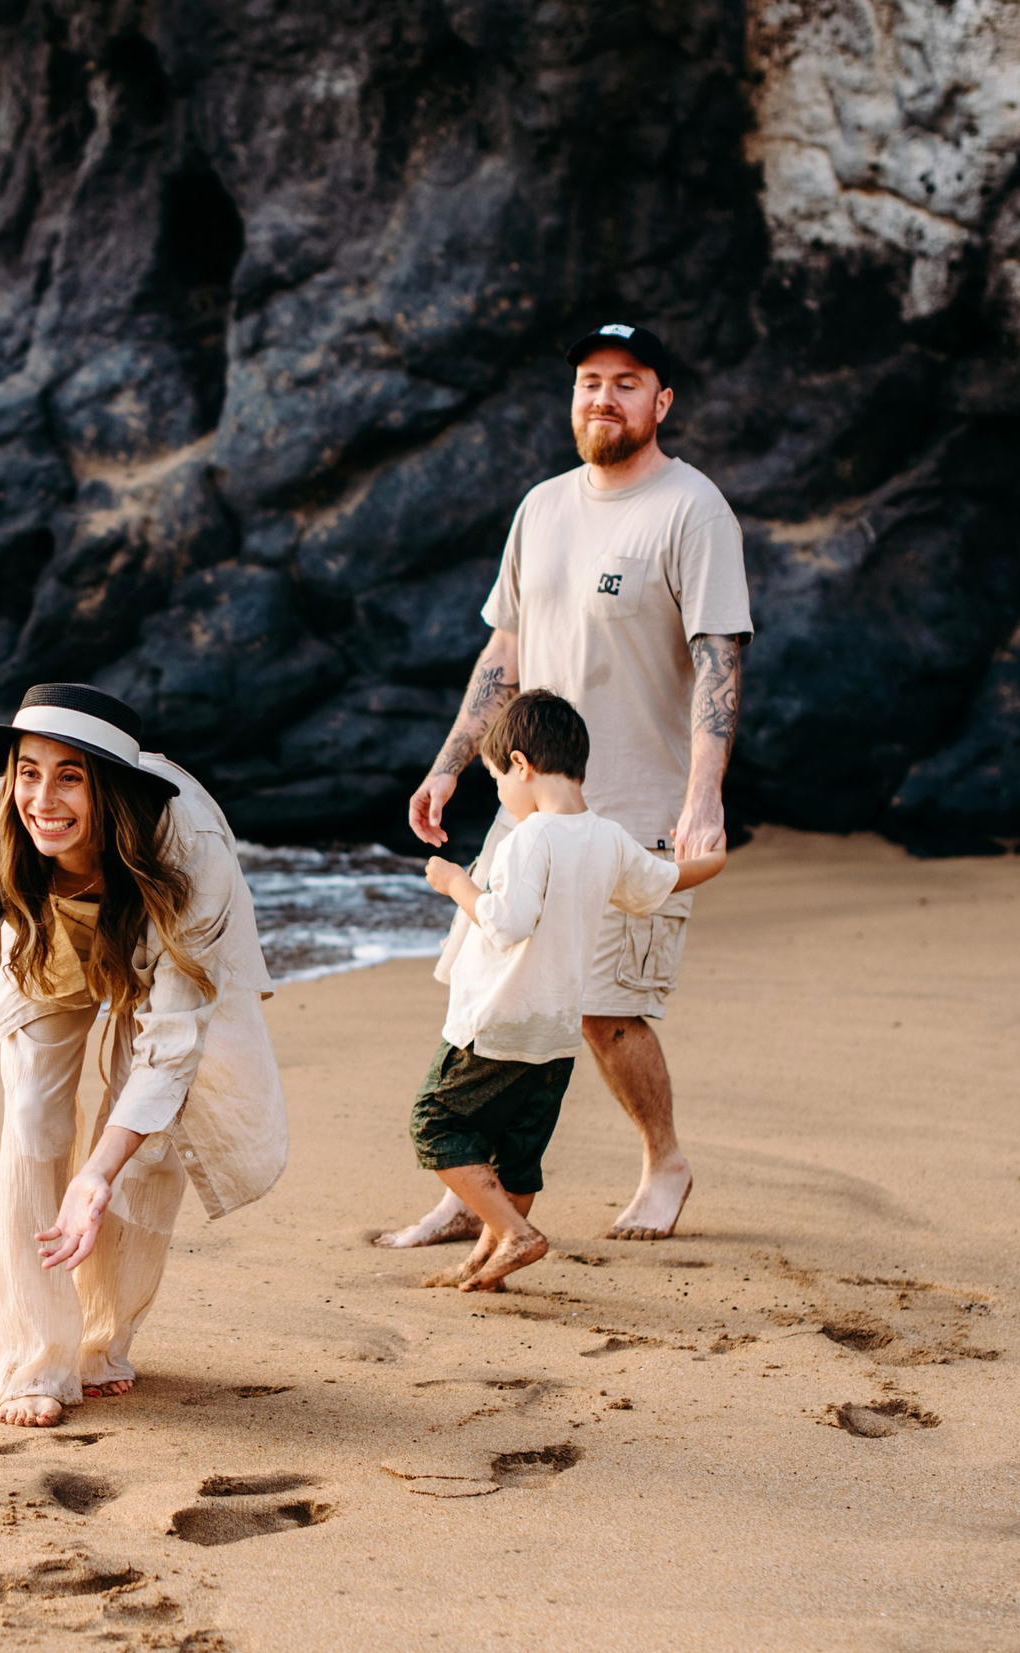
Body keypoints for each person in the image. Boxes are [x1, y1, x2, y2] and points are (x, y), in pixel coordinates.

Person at [384, 320, 751, 1248]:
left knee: (606, 1010)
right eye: (591, 380)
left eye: (627, 382)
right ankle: (479, 1188)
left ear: (662, 401)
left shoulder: (692, 510)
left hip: (634, 811)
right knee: (489, 989)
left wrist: (703, 795)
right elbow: (503, 653)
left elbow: (718, 660)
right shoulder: (542, 506)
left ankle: (664, 1162)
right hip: (526, 808)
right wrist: (449, 763)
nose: (605, 397)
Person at [0, 683, 288, 1429]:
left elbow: (170, 1044)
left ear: (111, 786)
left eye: (70, 776)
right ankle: (36, 1357)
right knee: (32, 1114)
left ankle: (101, 1338)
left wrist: (98, 1172)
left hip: (158, 931)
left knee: (145, 1144)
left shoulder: (188, 849)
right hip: (47, 937)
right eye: (28, 771)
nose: (42, 799)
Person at [411, 690, 725, 1289]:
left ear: (521, 765)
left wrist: (454, 883)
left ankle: (515, 1234)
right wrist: (716, 857)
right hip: (555, 1035)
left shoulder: (529, 837)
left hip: (495, 1025)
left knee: (434, 1124)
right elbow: (664, 881)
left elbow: (505, 922)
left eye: (498, 780)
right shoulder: (608, 837)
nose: (502, 794)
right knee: (517, 1153)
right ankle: (485, 1262)